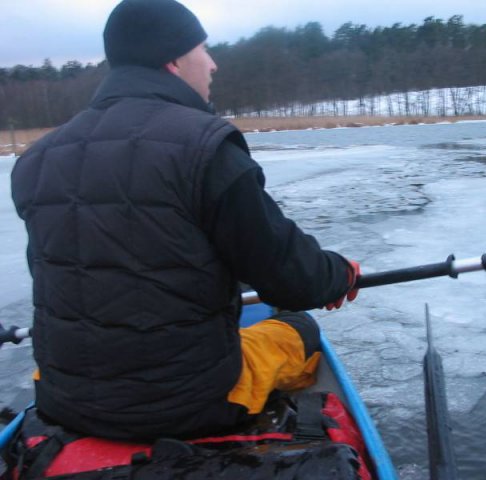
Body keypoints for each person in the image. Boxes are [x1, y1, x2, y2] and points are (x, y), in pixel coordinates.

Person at [11, 0, 359, 440]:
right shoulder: (205, 147)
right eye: (203, 50)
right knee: (298, 328)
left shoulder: (36, 159)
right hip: (189, 403)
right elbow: (292, 278)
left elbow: (64, 276)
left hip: (66, 399)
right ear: (173, 59)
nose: (212, 64)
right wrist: (338, 275)